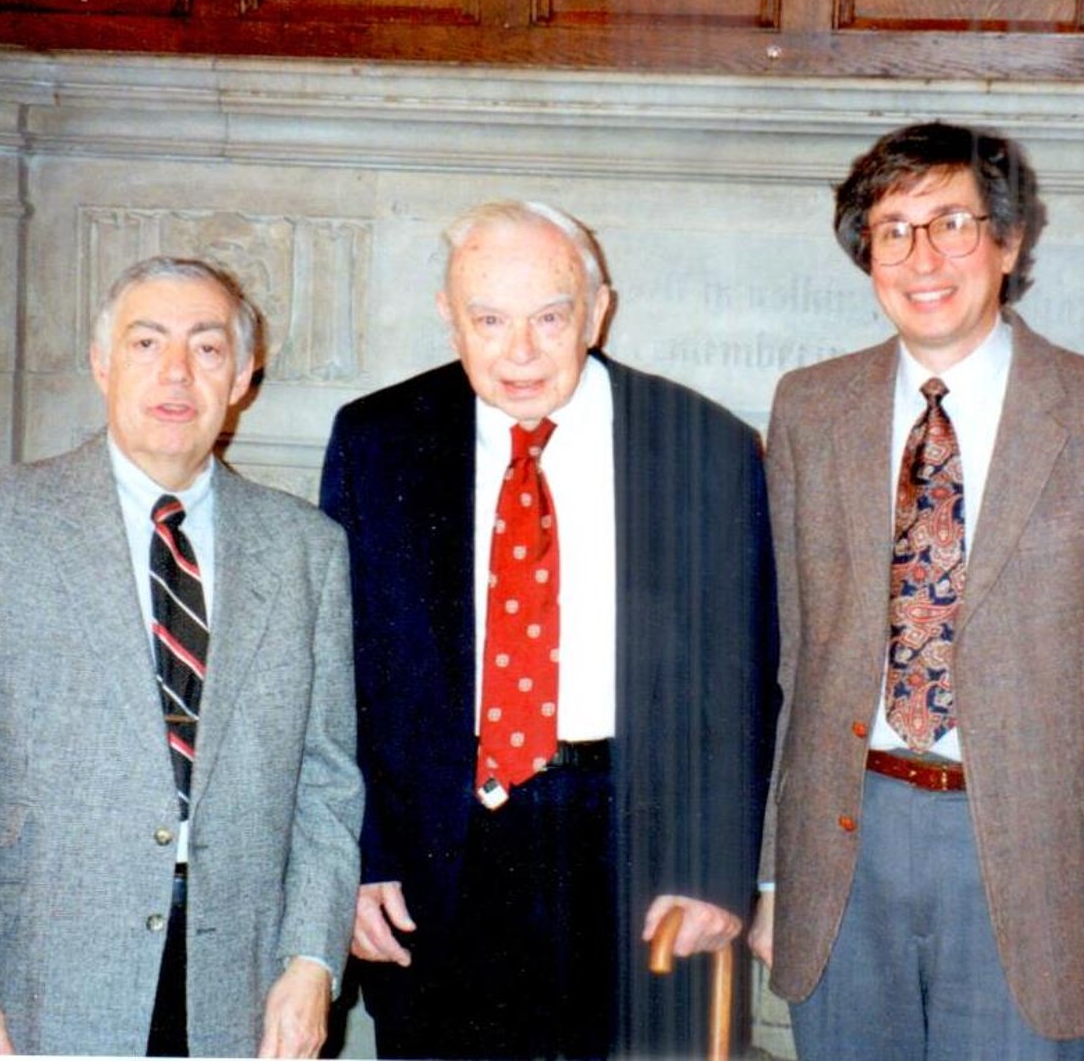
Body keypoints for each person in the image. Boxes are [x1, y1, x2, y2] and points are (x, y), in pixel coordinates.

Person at [748, 121, 1084, 1059]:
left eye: (952, 223)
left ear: (1008, 241)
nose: (923, 258)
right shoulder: (808, 407)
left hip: (1037, 870)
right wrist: (770, 878)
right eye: (893, 230)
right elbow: (790, 662)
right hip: (843, 852)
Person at [320, 200, 779, 1059]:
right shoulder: (376, 441)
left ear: (597, 312)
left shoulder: (703, 443)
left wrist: (716, 870)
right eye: (489, 320)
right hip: (435, 862)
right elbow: (339, 672)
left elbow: (745, 678)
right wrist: (358, 861)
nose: (519, 352)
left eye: (549, 317)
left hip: (637, 851)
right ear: (448, 317)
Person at [0, 256, 363, 1056]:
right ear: (102, 363)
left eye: (206, 348)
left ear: (242, 376)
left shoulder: (305, 550)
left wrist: (310, 963)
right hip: (34, 972)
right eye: (146, 343)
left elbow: (327, 783)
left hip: (238, 986)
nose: (176, 372)